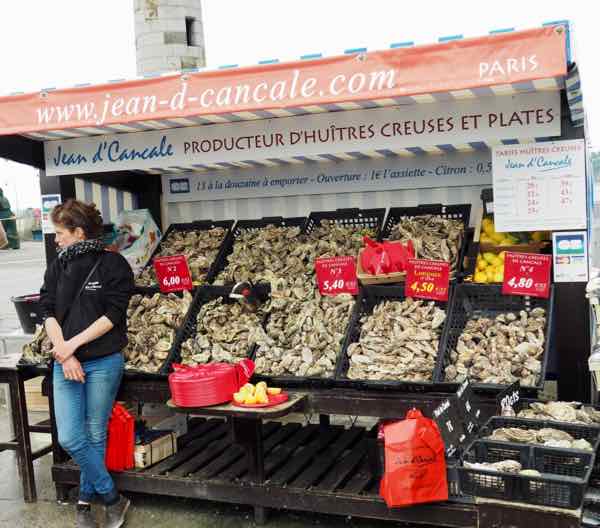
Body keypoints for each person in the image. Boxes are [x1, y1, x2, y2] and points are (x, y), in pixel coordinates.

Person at [39, 199, 134, 528]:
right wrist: (64, 352)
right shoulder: (57, 267)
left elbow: (113, 315)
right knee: (70, 437)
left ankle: (83, 503)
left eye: (60, 232)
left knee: (94, 434)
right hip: (66, 361)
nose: (56, 239)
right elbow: (47, 310)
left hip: (104, 361)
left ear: (78, 232)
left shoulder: (114, 266)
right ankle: (111, 497)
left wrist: (71, 347)